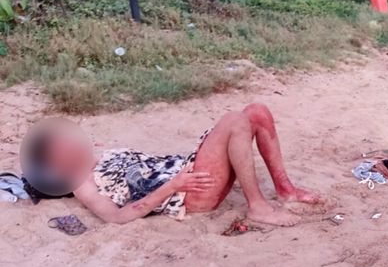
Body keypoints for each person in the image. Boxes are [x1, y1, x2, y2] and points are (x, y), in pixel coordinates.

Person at [24, 103, 321, 226]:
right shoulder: (82, 185)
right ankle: (257, 206)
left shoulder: (100, 155)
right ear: (56, 166)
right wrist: (173, 185)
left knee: (256, 111)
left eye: (65, 142)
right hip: (186, 193)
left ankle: (286, 190)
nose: (70, 147)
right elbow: (117, 218)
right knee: (234, 121)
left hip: (187, 170)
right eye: (61, 151)